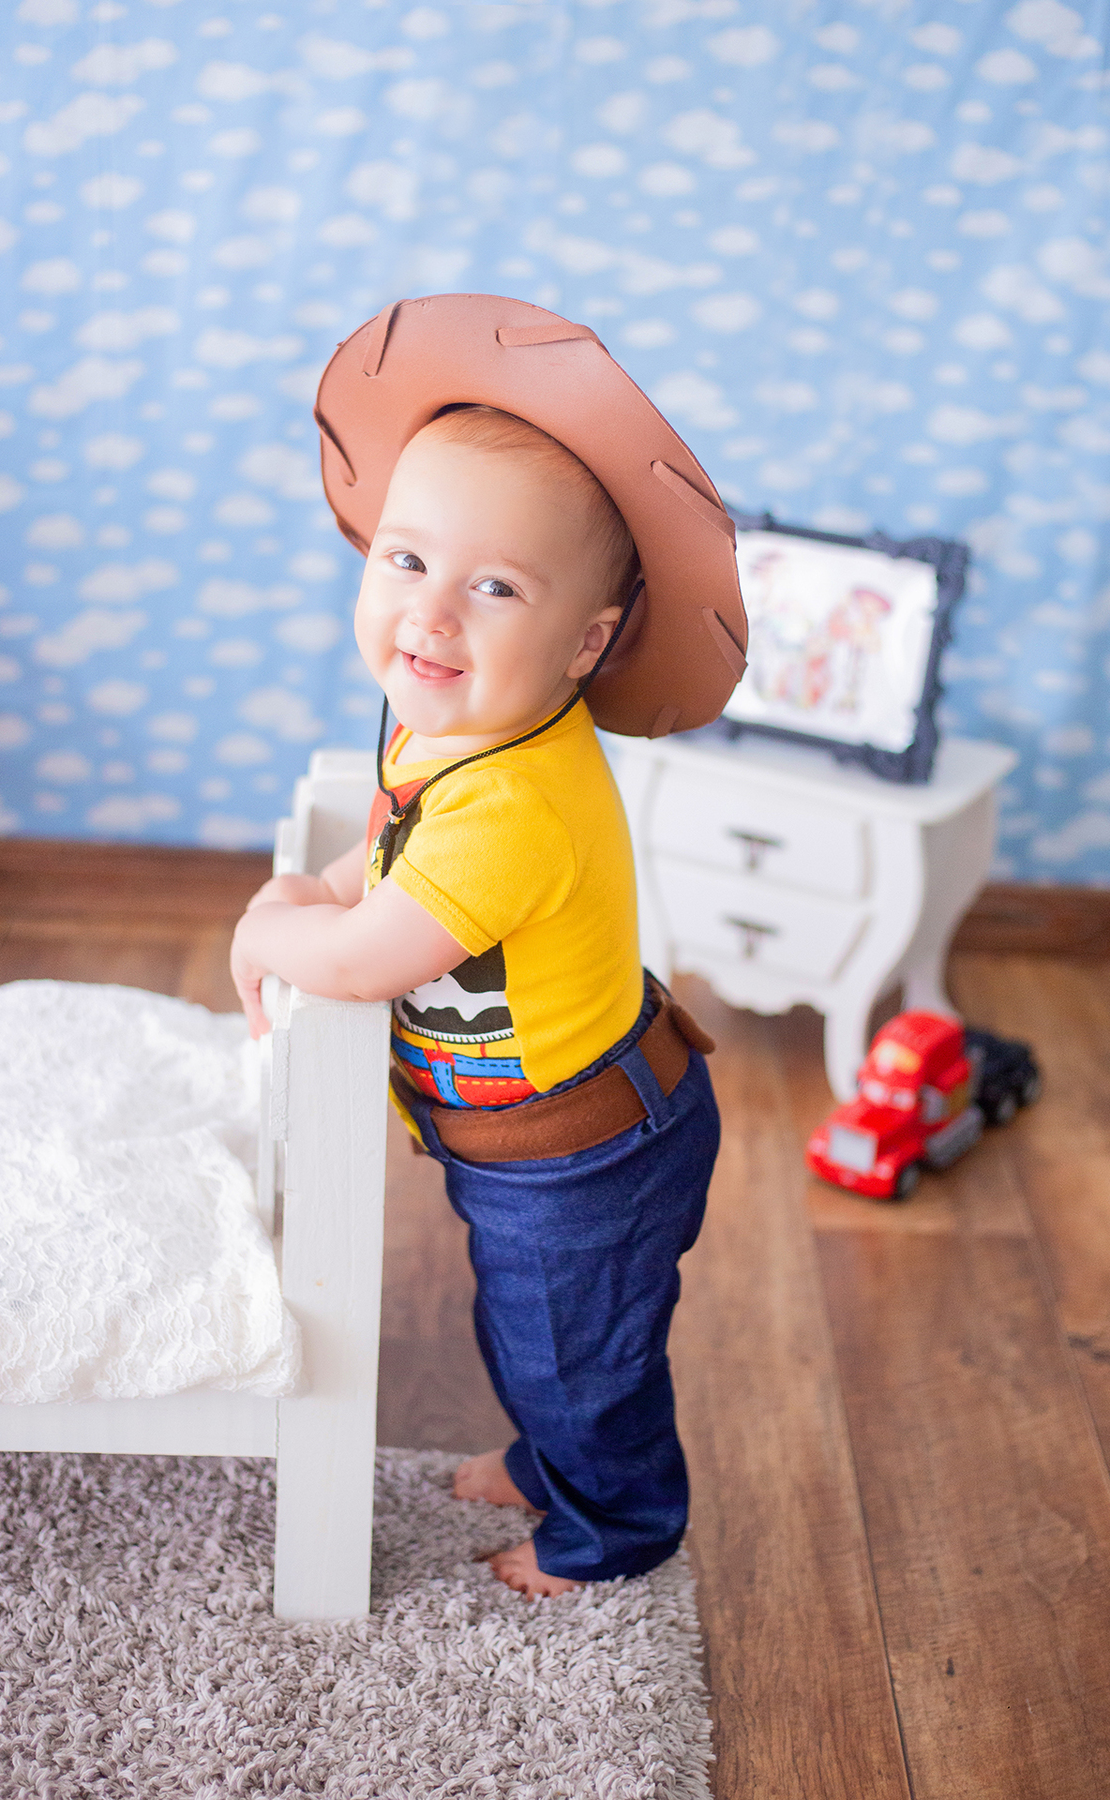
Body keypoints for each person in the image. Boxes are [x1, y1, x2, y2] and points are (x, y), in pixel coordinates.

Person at [230, 294, 747, 1597]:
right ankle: (545, 1451)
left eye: (493, 587)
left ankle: (611, 1534)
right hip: (534, 1136)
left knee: (581, 1348)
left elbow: (370, 955)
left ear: (585, 646)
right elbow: (397, 846)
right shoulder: (452, 722)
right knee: (532, 1330)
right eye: (405, 561)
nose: (432, 616)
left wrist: (278, 920)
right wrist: (323, 883)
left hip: (584, 1149)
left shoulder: (515, 803)